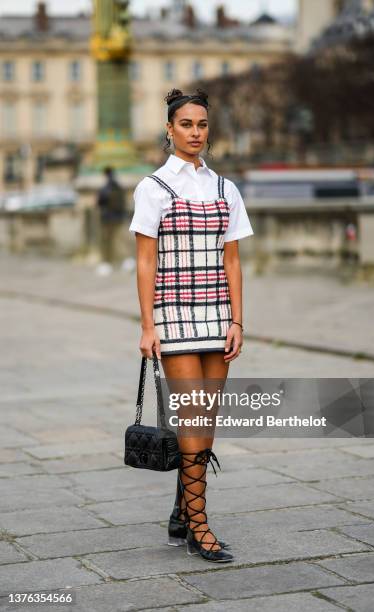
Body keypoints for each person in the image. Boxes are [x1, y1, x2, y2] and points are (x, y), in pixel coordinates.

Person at [128, 88, 254, 563]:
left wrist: (238, 320)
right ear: (169, 129)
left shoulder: (226, 188)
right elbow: (145, 262)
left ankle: (183, 510)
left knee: (207, 425)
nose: (195, 133)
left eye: (201, 125)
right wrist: (148, 325)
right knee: (192, 422)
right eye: (186, 124)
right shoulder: (153, 188)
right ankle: (199, 528)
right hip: (175, 319)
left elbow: (234, 261)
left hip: (218, 317)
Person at [97, 166, 126, 266]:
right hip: (118, 217)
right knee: (119, 241)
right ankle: (123, 261)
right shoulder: (119, 187)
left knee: (106, 241)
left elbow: (100, 202)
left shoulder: (105, 188)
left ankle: (106, 262)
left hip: (107, 218)